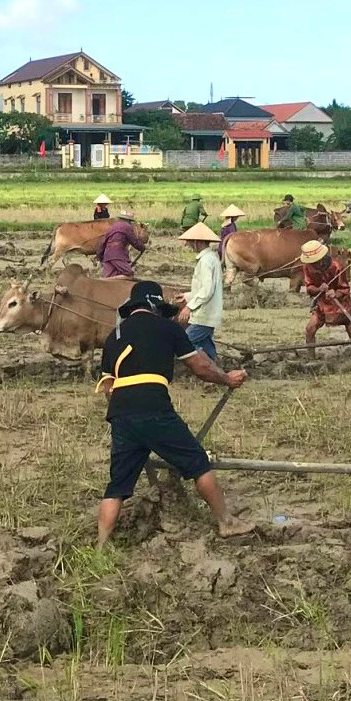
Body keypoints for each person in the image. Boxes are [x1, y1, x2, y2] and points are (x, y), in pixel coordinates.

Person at [95, 280, 256, 547]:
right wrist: (227, 379)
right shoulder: (167, 327)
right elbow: (200, 366)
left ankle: (101, 546)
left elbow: (108, 386)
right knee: (197, 462)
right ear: (154, 305)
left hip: (121, 411)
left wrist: (127, 410)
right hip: (153, 405)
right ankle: (227, 522)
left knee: (117, 485)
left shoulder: (114, 336)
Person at [301, 239, 351, 346]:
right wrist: (319, 289)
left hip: (340, 305)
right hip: (321, 305)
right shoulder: (308, 267)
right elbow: (309, 288)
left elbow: (345, 289)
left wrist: (335, 293)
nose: (313, 264)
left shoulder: (336, 266)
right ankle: (311, 358)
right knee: (310, 329)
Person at [177, 222, 224, 361]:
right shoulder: (211, 258)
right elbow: (203, 288)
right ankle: (214, 368)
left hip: (204, 314)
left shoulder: (205, 261)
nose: (187, 244)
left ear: (198, 242)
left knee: (186, 342)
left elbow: (207, 290)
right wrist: (187, 295)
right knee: (205, 344)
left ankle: (205, 369)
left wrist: (188, 307)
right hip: (208, 314)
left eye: (190, 242)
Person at [98, 208, 141, 279]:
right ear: (128, 221)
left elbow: (102, 244)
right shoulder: (127, 227)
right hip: (118, 256)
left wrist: (100, 257)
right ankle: (102, 281)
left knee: (109, 276)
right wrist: (142, 247)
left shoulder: (111, 228)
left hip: (107, 256)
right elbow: (134, 242)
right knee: (129, 275)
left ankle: (104, 281)